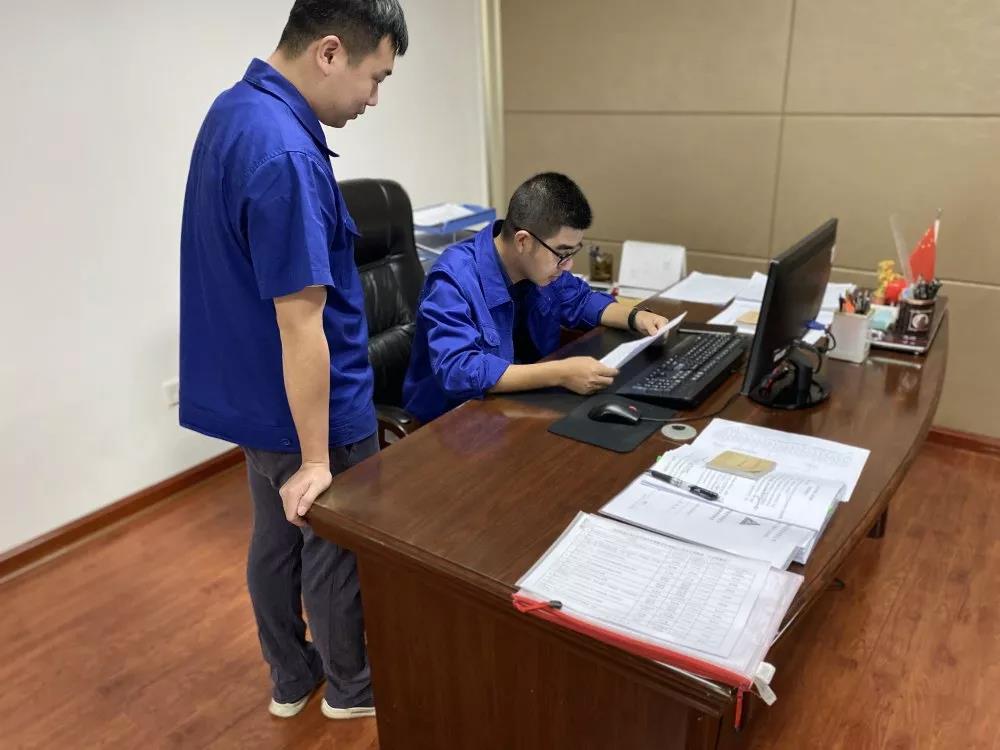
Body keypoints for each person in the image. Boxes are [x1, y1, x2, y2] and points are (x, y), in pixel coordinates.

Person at [178, 0, 407, 721]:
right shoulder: (286, 154)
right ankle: (351, 690)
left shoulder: (236, 109)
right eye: (376, 78)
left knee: (277, 538)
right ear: (330, 52)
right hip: (310, 405)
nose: (374, 98)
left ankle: (290, 677)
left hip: (258, 396)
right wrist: (316, 457)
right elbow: (302, 323)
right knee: (332, 541)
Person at [402, 172, 669, 423]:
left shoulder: (540, 267)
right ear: (523, 241)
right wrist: (560, 373)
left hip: (518, 404)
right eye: (562, 253)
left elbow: (581, 300)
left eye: (572, 252)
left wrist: (637, 317)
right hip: (454, 421)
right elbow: (460, 371)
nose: (568, 265)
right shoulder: (453, 278)